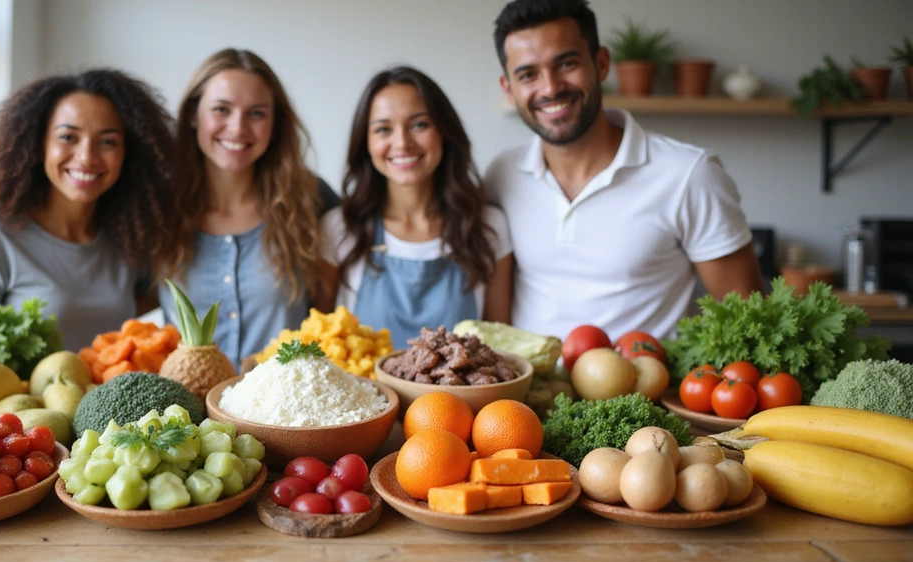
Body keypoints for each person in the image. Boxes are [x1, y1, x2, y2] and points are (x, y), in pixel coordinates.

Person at [486, 0, 764, 341]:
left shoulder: (689, 174)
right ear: (508, 89)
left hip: (645, 391)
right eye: (528, 74)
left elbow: (750, 320)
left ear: (601, 64)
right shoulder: (501, 175)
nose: (550, 88)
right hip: (527, 394)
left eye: (567, 63)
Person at [0, 69, 175, 352]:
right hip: (19, 397)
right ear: (39, 144)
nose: (87, 156)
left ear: (128, 153)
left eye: (107, 141)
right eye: (68, 137)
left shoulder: (130, 239)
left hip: (104, 392)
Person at [159, 48, 334, 369]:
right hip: (188, 412)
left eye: (256, 113)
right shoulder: (160, 208)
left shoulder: (312, 199)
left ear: (275, 124)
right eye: (221, 109)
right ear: (194, 115)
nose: (238, 127)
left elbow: (333, 316)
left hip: (285, 409)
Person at [318, 66, 512, 350]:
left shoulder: (487, 225)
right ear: (366, 143)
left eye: (419, 124)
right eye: (383, 129)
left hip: (458, 397)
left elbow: (503, 350)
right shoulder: (339, 228)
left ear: (444, 132)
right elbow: (317, 343)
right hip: (368, 394)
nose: (403, 143)